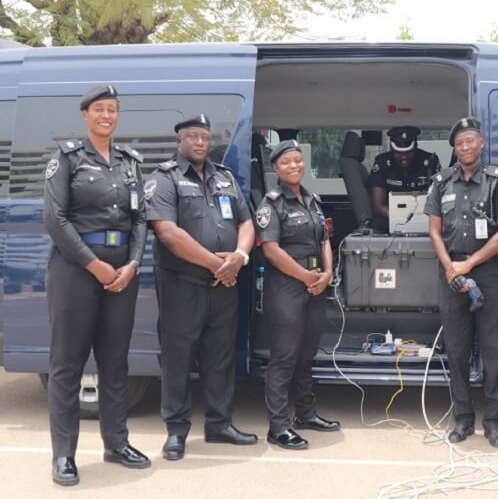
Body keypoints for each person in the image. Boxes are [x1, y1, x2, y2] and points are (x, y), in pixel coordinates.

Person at [43, 84, 150, 486]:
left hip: (122, 273)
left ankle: (116, 444)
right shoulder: (67, 158)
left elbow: (141, 219)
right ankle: (64, 455)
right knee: (67, 364)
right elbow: (55, 219)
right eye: (100, 109)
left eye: (113, 109)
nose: (107, 115)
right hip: (75, 272)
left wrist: (133, 264)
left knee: (115, 362)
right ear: (85, 115)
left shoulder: (129, 163)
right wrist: (93, 265)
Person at [145, 114, 257, 460]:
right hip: (183, 285)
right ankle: (176, 431)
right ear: (178, 140)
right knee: (178, 359)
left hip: (223, 286)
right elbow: (168, 232)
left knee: (220, 358)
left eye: (205, 137)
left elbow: (246, 222)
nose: (199, 142)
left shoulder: (225, 177)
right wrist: (216, 264)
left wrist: (239, 256)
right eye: (192, 136)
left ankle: (219, 424)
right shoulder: (165, 178)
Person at [424, 117, 498, 447]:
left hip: (487, 274)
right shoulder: (441, 183)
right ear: (454, 147)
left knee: (493, 353)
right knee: (457, 352)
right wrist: (451, 266)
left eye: (470, 141)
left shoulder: (496, 181)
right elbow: (434, 231)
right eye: (459, 143)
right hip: (451, 275)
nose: (465, 147)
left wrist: (470, 263)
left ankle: (493, 423)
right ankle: (463, 420)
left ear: (481, 144)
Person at [254, 139, 339, 450]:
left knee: (306, 354)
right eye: (286, 162)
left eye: (298, 160)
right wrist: (305, 276)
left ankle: (305, 414)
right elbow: (271, 250)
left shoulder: (313, 200)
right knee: (285, 357)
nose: (294, 166)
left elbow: (325, 240)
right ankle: (278, 427)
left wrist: (327, 275)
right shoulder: (272, 204)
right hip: (287, 287)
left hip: (315, 284)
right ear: (276, 168)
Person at [367, 126, 441, 231]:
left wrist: (420, 219)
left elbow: (441, 199)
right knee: (377, 224)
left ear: (415, 147)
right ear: (391, 149)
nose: (404, 157)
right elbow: (378, 207)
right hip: (390, 218)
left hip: (425, 218)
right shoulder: (382, 163)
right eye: (398, 153)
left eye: (408, 152)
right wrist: (404, 219)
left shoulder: (430, 162)